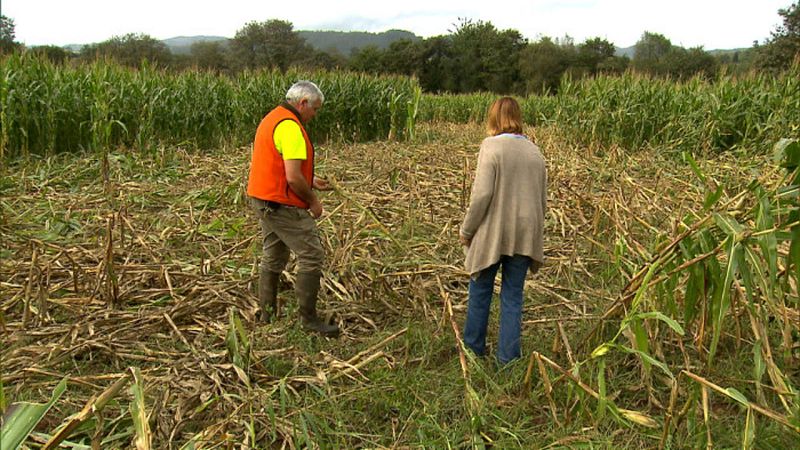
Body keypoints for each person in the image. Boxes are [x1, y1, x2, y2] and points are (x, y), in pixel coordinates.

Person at [247, 80, 339, 337]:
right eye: (315, 109)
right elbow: (292, 178)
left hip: (264, 199)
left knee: (274, 256)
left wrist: (311, 180)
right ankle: (309, 320)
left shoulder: (273, 118)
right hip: (281, 203)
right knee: (311, 255)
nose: (314, 115)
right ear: (303, 103)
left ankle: (267, 314)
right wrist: (313, 201)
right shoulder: (291, 128)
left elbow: (282, 166)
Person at [459, 97, 547, 365]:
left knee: (480, 289)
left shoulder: (491, 147)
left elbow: (482, 195)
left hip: (494, 232)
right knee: (512, 297)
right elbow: (542, 201)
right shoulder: (535, 151)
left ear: (494, 118)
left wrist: (467, 230)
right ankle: (508, 361)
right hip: (525, 234)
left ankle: (473, 351)